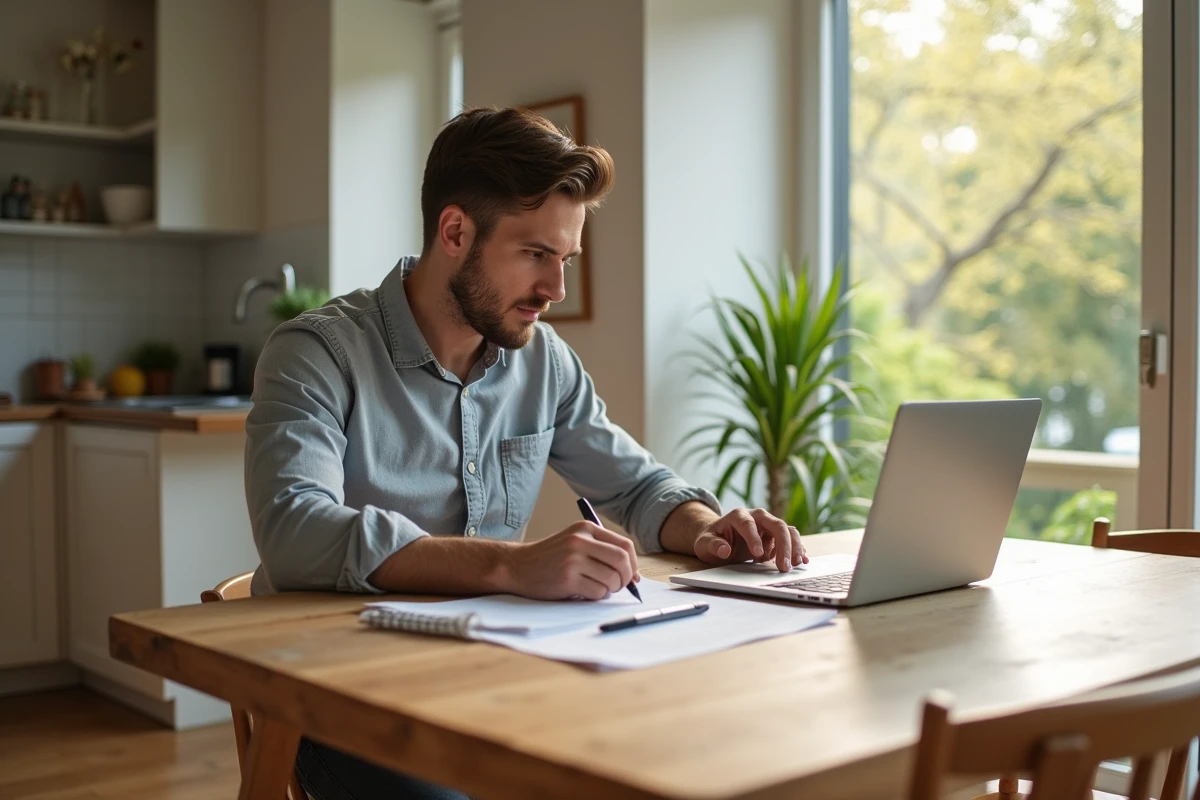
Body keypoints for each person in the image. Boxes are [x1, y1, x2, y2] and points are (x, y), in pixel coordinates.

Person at [244, 106, 808, 800]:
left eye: (564, 259)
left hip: (498, 676)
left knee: (697, 752)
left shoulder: (543, 363)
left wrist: (707, 530)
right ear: (454, 231)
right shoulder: (317, 352)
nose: (557, 290)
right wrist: (513, 565)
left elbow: (635, 488)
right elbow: (294, 532)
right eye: (536, 255)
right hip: (338, 696)